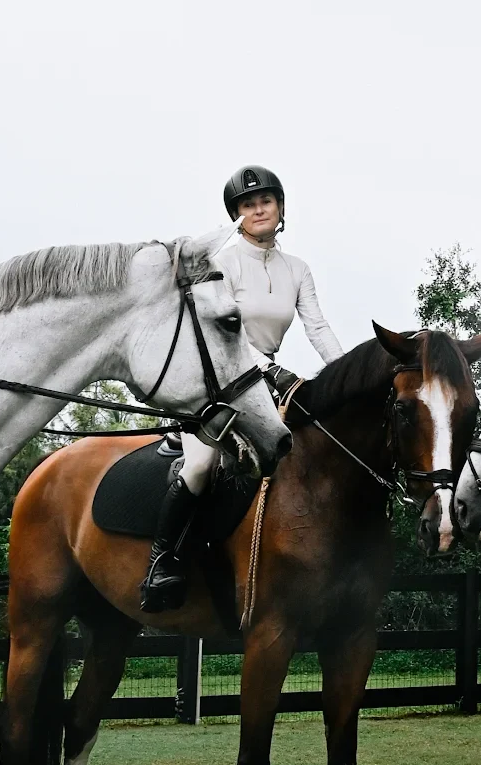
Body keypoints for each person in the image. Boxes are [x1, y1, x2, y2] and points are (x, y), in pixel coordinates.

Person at [139, 163, 342, 612]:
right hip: (217, 389)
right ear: (236, 214)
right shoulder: (223, 264)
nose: (257, 210)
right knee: (201, 464)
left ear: (281, 207)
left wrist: (348, 373)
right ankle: (161, 562)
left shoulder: (298, 269)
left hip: (268, 392)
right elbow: (226, 336)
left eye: (265, 201)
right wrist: (270, 371)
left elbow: (319, 328)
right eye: (247, 205)